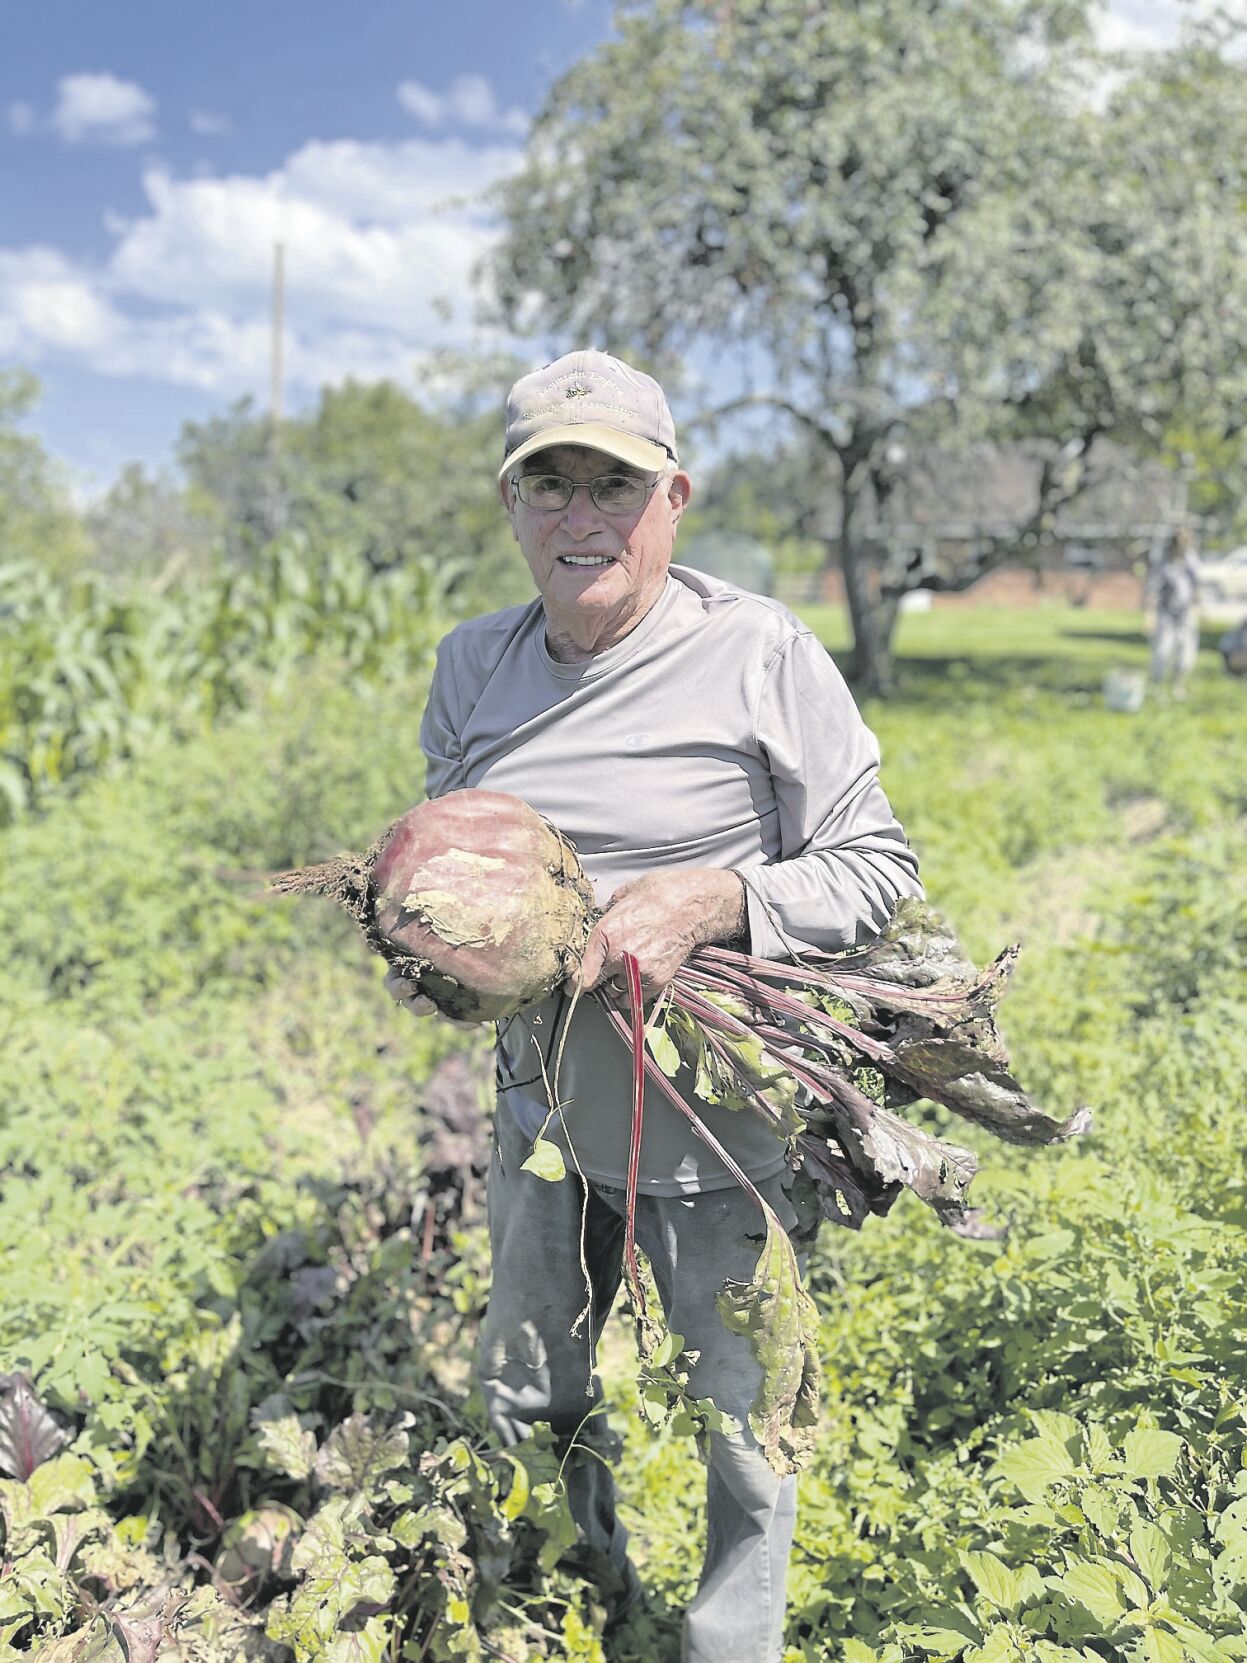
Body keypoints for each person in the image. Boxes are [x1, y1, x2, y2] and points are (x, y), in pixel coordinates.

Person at [386, 350, 922, 1663]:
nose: (581, 517)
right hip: (544, 1118)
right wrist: (436, 942)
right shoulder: (473, 665)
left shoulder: (757, 650)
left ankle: (724, 1646)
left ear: (671, 496)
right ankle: (575, 1602)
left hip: (720, 1130)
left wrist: (715, 900)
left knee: (744, 1429)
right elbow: (463, 863)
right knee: (529, 1390)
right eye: (548, 485)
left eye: (612, 484)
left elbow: (876, 866)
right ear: (511, 505)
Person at [1147, 527, 1201, 699]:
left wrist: (1199, 607)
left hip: (1185, 613)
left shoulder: (1191, 561)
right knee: (1162, 650)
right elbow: (1153, 589)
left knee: (1185, 653)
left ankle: (1177, 686)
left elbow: (1196, 586)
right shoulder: (1164, 562)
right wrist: (1149, 615)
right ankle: (1157, 687)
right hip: (1166, 612)